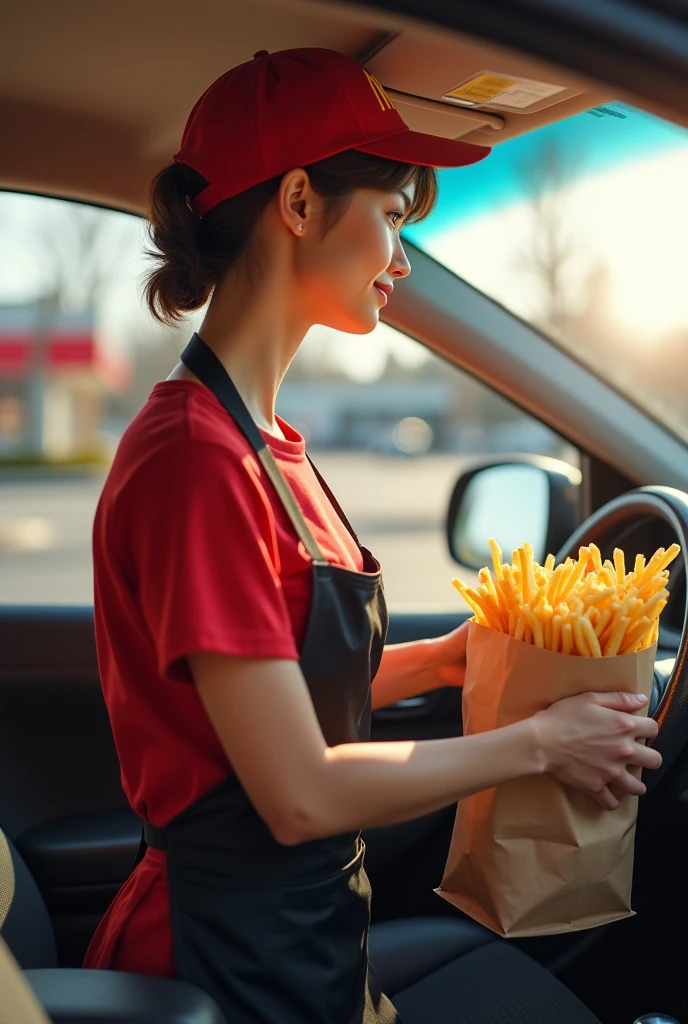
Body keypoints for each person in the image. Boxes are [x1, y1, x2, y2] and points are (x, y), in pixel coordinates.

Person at [82, 47, 661, 1023]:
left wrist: (437, 661)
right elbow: (299, 790)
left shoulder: (260, 443)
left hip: (297, 928)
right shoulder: (198, 462)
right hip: (225, 962)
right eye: (391, 216)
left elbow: (274, 696)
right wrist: (538, 742)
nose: (400, 256)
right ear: (300, 203)